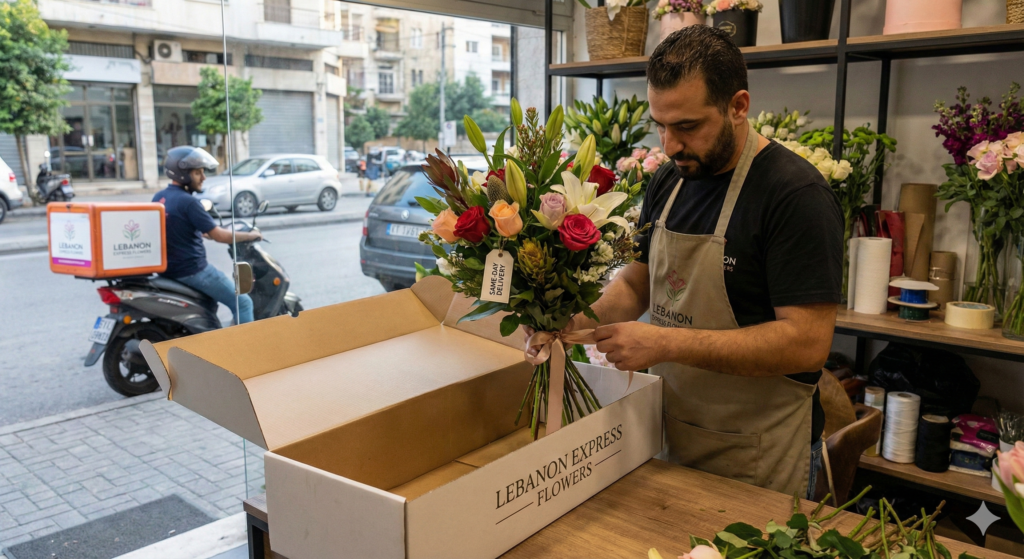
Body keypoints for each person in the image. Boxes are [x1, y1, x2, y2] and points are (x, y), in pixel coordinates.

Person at [578, 26, 844, 499]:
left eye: (687, 127)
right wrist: (576, 320)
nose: (670, 144)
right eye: (660, 125)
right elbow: (637, 285)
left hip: (756, 452)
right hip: (667, 433)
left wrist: (664, 342)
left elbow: (806, 344)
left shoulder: (794, 196)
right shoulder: (669, 181)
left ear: (738, 106)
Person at [152, 146, 262, 324]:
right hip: (193, 270)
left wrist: (200, 233)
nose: (203, 178)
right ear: (183, 174)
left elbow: (176, 226)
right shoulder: (189, 202)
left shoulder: (160, 197)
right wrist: (251, 235)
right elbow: (220, 236)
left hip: (168, 270)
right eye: (197, 173)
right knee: (243, 303)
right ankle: (246, 349)